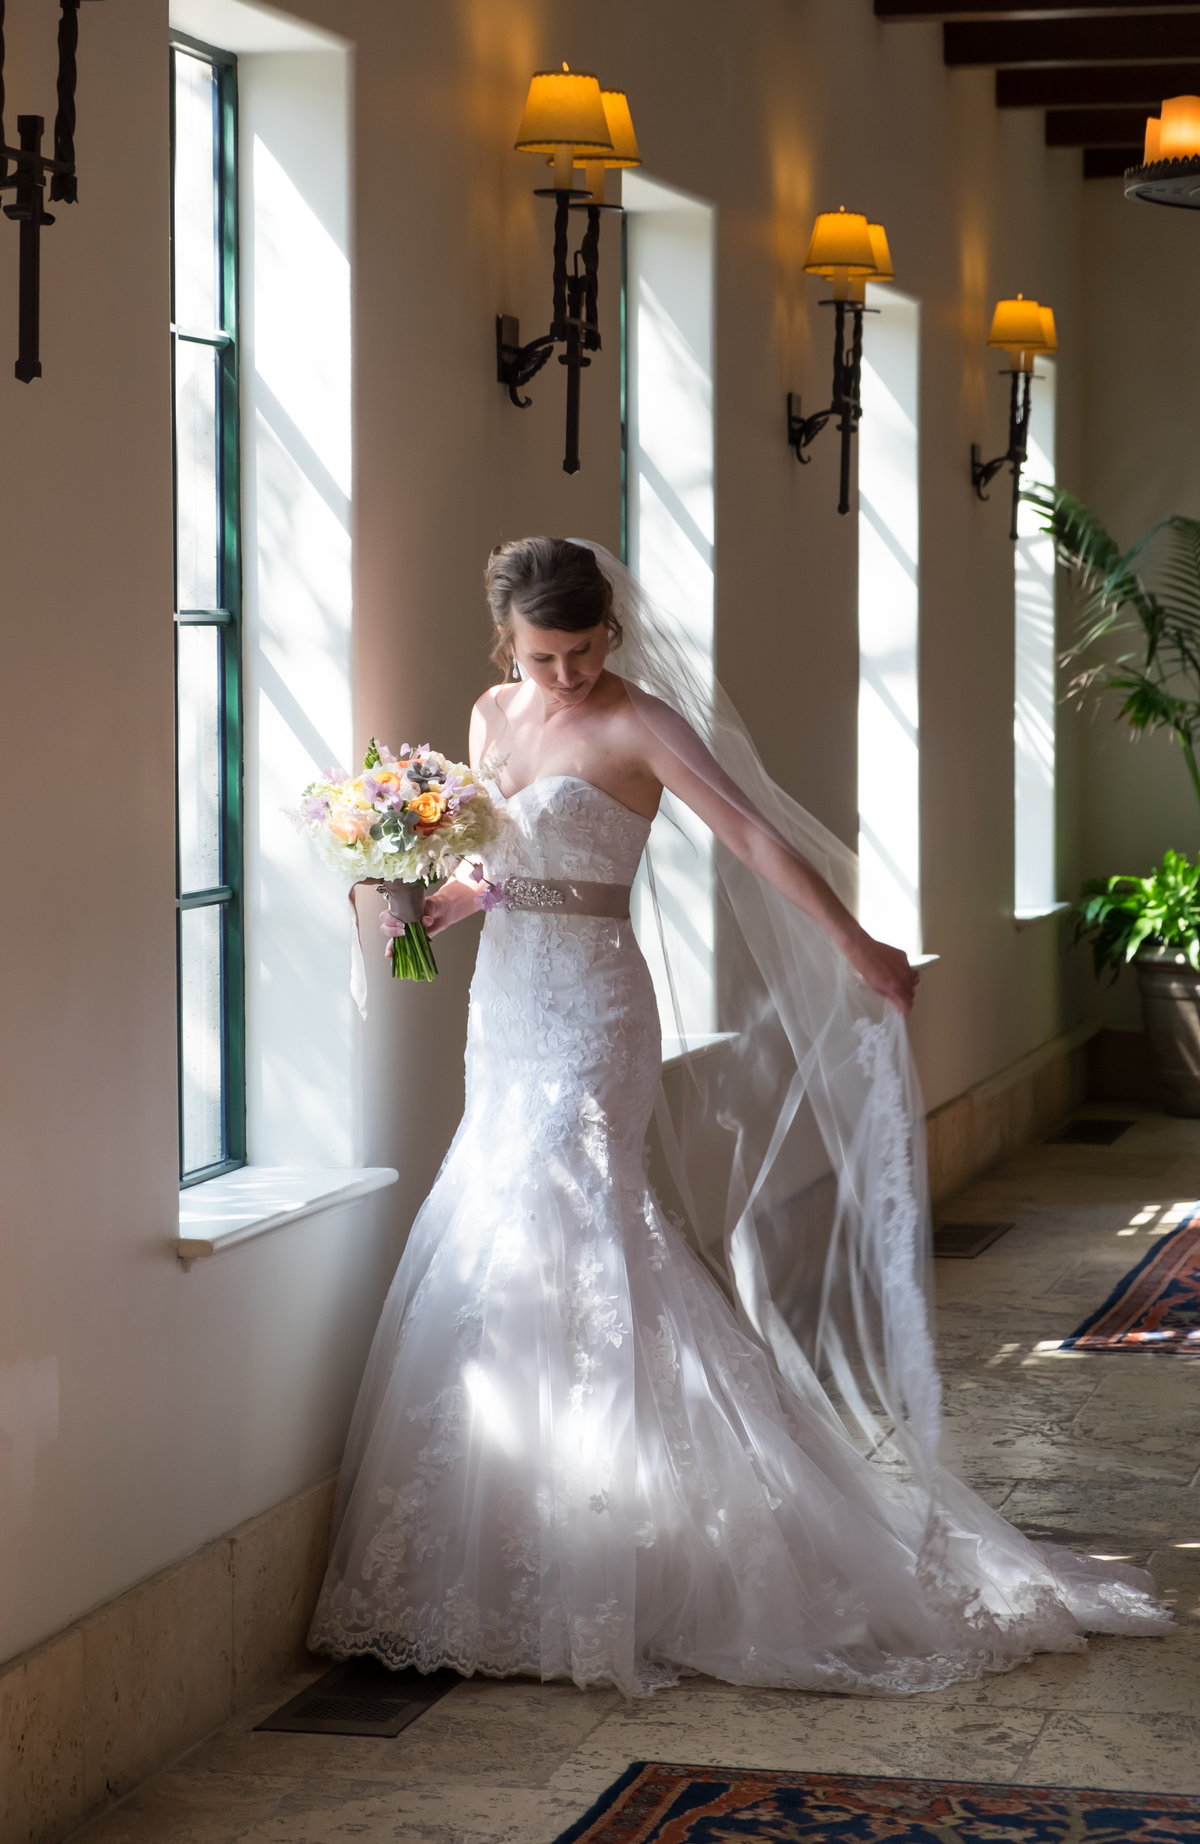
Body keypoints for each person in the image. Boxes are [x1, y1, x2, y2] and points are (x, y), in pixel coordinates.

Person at [307, 536, 1170, 1697]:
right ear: (507, 643)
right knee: (502, 1237)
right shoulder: (488, 716)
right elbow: (496, 876)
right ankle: (527, 1554)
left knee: (592, 1234)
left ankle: (635, 1561)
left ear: (611, 629)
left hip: (595, 1012)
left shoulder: (643, 724)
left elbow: (756, 836)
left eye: (582, 649)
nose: (564, 675)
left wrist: (855, 944)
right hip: (505, 1002)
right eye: (542, 654)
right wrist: (407, 900)